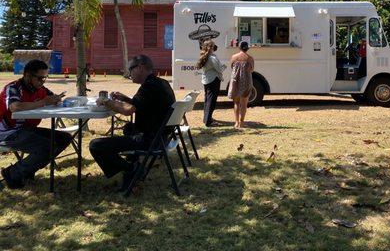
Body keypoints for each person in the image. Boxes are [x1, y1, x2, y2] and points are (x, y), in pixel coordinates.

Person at [88, 55, 176, 191]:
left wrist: (106, 101)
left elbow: (128, 111)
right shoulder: (161, 82)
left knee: (96, 146)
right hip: (163, 137)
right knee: (129, 127)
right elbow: (143, 104)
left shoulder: (148, 86)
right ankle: (132, 164)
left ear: (140, 67)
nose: (129, 73)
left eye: (130, 69)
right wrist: (125, 98)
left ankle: (132, 169)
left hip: (150, 139)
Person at [0, 59, 69, 189]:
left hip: (25, 129)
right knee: (47, 147)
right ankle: (13, 173)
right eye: (40, 78)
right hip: (6, 132)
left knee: (64, 138)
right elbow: (14, 106)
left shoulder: (40, 88)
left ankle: (26, 171)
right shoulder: (13, 88)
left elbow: (50, 98)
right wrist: (43, 102)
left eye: (45, 78)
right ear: (27, 75)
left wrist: (56, 99)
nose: (42, 82)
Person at [196, 39, 225, 127]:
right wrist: (224, 67)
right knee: (211, 101)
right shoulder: (212, 57)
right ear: (211, 47)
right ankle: (208, 121)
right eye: (213, 46)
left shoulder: (205, 56)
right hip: (213, 80)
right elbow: (219, 69)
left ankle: (206, 118)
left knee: (207, 100)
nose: (215, 47)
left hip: (207, 80)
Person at [228, 41, 254, 129]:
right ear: (247, 48)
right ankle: (242, 122)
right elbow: (252, 69)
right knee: (244, 103)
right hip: (246, 81)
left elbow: (231, 67)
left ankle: (236, 122)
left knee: (236, 102)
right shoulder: (250, 58)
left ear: (239, 47)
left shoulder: (234, 57)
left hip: (235, 81)